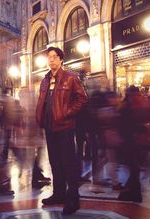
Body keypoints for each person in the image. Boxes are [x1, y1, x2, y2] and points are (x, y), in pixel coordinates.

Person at [35, 47, 87, 215]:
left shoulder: (70, 78)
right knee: (55, 163)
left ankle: (73, 199)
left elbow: (82, 98)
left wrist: (67, 113)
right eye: (48, 57)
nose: (51, 60)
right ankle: (59, 194)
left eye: (54, 57)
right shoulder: (45, 79)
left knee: (69, 164)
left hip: (65, 126)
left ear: (61, 59)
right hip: (49, 127)